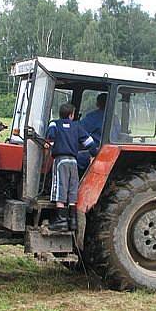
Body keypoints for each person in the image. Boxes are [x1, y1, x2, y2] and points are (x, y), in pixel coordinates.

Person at [45, 102, 97, 232]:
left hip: (60, 160)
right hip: (73, 161)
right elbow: (89, 142)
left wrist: (49, 143)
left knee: (60, 187)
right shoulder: (77, 126)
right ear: (72, 115)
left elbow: (50, 136)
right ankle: (72, 221)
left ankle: (61, 221)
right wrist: (94, 155)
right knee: (72, 188)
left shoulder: (54, 123)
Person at [77, 93, 108, 173]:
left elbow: (78, 129)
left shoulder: (94, 116)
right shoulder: (115, 118)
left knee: (69, 158)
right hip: (104, 150)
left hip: (97, 150)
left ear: (97, 103)